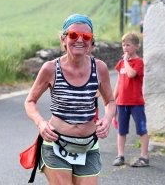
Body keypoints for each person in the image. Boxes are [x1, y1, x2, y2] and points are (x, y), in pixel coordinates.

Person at [24, 14, 115, 185]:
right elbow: (30, 101)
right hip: (56, 143)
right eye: (73, 35)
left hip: (88, 146)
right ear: (64, 39)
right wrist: (41, 123)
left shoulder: (100, 68)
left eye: (86, 36)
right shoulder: (50, 68)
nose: (79, 40)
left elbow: (110, 101)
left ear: (91, 41)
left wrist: (107, 119)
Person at [112, 31, 149, 167]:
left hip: (136, 103)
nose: (125, 48)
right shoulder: (121, 63)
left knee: (141, 129)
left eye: (128, 45)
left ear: (136, 46)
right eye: (123, 45)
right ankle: (120, 155)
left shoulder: (138, 62)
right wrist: (112, 100)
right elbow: (119, 82)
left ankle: (144, 157)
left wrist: (126, 61)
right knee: (121, 130)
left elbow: (131, 74)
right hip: (122, 102)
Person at [86, 39, 101, 122]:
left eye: (88, 45)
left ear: (92, 47)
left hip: (93, 101)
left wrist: (98, 91)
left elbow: (100, 79)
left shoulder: (97, 63)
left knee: (93, 123)